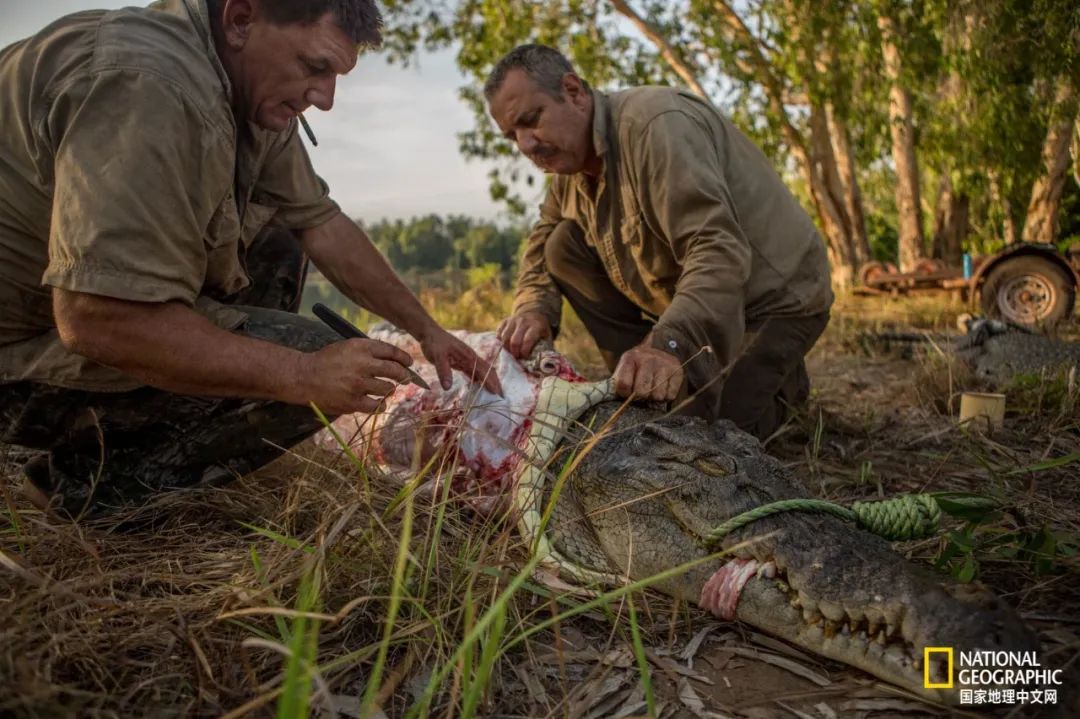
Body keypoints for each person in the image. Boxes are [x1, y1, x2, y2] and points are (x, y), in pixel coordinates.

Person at [0, 0, 500, 518]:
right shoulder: (147, 86)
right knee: (318, 357)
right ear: (240, 20)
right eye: (314, 67)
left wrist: (427, 330)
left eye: (335, 76)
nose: (326, 98)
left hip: (63, 324)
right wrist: (303, 375)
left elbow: (320, 224)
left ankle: (119, 443)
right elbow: (97, 319)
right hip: (18, 362)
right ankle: (88, 490)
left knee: (280, 240)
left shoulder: (248, 90)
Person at [488, 44, 833, 439]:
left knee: (709, 439)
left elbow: (716, 251)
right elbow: (542, 242)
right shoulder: (569, 170)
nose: (526, 146)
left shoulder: (657, 126)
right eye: (512, 136)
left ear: (573, 91)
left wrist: (668, 344)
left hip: (774, 301)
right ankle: (643, 379)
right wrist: (533, 309)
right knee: (561, 246)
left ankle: (782, 386)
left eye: (531, 120)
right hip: (696, 304)